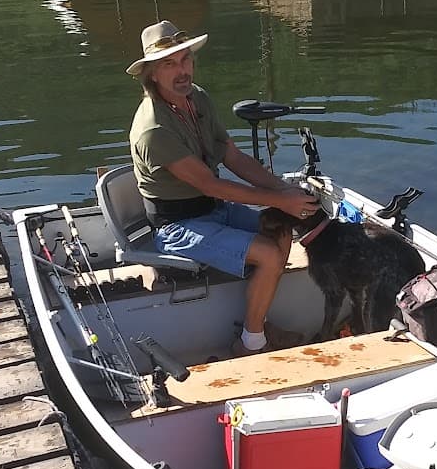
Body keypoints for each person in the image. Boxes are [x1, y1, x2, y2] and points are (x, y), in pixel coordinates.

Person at [128, 20, 320, 356]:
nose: (182, 70)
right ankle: (251, 342)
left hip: (212, 209)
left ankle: (255, 326)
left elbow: (232, 156)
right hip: (177, 224)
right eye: (169, 64)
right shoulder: (154, 129)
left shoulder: (197, 98)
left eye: (185, 59)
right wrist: (279, 198)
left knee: (281, 229)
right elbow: (211, 184)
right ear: (152, 74)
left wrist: (288, 192)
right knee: (269, 253)